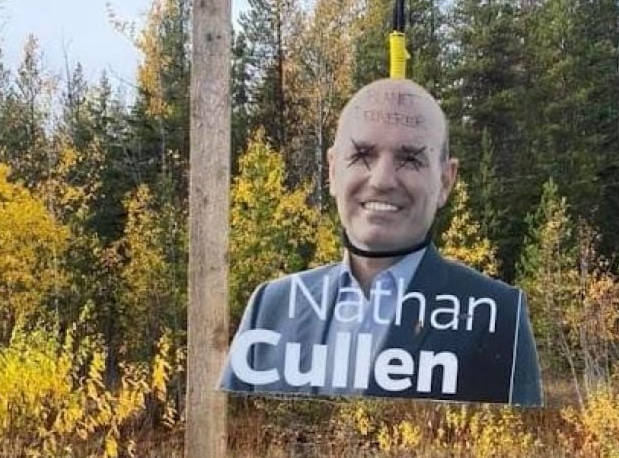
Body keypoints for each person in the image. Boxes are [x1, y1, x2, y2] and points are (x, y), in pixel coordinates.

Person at [220, 78, 542, 405]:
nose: (382, 180)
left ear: (446, 180)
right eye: (362, 154)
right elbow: (225, 443)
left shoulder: (498, 317)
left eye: (411, 159)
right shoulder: (271, 306)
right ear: (332, 171)